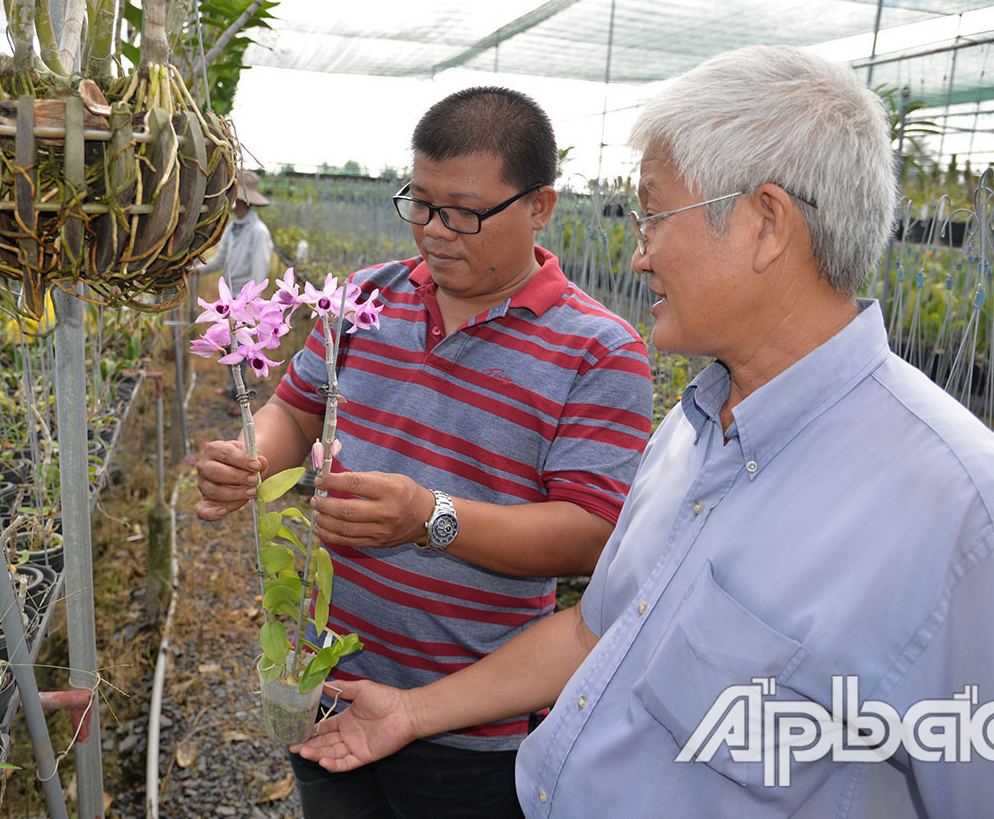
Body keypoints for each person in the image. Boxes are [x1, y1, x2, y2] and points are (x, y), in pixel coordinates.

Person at [291, 46, 994, 818]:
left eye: (654, 214)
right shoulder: (691, 431)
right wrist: (411, 713)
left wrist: (430, 516)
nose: (636, 255)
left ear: (765, 224)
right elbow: (598, 633)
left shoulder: (975, 524)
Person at [195, 87, 654, 818]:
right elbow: (295, 407)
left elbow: (592, 536)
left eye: (465, 212)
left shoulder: (599, 352)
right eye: (420, 203)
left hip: (470, 719)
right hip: (325, 675)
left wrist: (429, 517)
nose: (435, 231)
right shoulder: (363, 300)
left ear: (541, 206)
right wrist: (249, 456)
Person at [193, 169, 276, 414]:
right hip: (230, 299)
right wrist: (195, 270)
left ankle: (242, 399)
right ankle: (233, 389)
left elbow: (260, 274)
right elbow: (220, 261)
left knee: (243, 352)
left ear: (241, 200)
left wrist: (249, 306)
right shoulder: (232, 227)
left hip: (245, 304)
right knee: (229, 348)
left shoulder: (258, 233)